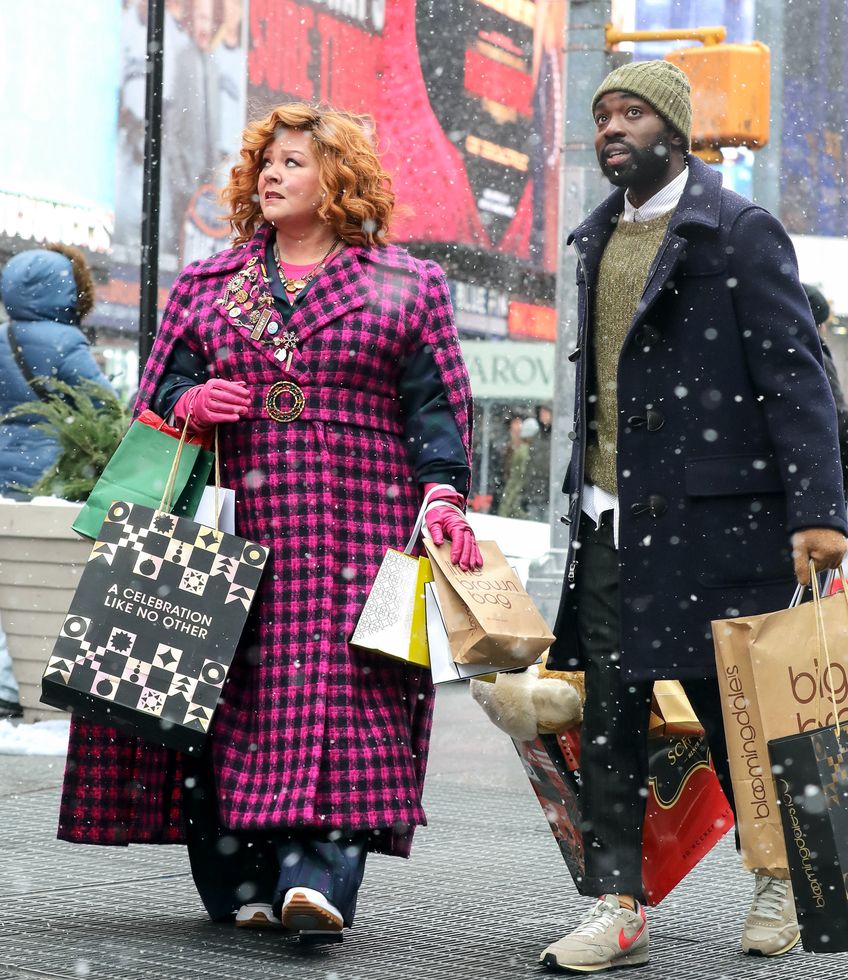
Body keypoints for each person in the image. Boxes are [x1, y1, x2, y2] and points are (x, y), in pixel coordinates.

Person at [57, 103, 481, 937]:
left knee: (349, 693)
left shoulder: (409, 284)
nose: (272, 175)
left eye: (293, 161)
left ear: (339, 177)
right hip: (233, 518)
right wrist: (192, 400)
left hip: (362, 522)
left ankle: (317, 876)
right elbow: (158, 395)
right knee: (228, 689)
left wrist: (443, 496)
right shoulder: (214, 283)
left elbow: (439, 411)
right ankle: (240, 880)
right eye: (267, 163)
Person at [541, 61, 848, 973]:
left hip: (715, 523)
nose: (612, 128)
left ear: (676, 131)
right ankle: (618, 902)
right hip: (607, 518)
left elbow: (797, 378)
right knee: (609, 718)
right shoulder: (595, 237)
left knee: (732, 711)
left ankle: (782, 877)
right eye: (602, 115)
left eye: (632, 112)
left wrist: (817, 511)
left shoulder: (738, 230)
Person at [0, 245, 112, 498]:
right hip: (52, 469)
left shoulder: (2, 335)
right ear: (66, 290)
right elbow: (104, 404)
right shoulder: (66, 341)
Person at [804, 283, 848, 499]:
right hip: (818, 477)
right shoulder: (816, 358)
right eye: (821, 323)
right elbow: (840, 418)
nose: (824, 329)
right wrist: (845, 462)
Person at [499, 416, 540, 518]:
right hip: (521, 492)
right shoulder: (521, 450)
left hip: (525, 493)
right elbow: (515, 479)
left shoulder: (523, 450)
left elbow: (515, 479)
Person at [523, 404, 553, 521]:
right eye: (541, 412)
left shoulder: (558, 437)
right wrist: (525, 494)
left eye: (546, 412)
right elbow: (529, 467)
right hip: (534, 493)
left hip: (551, 495)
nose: (542, 415)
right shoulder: (536, 437)